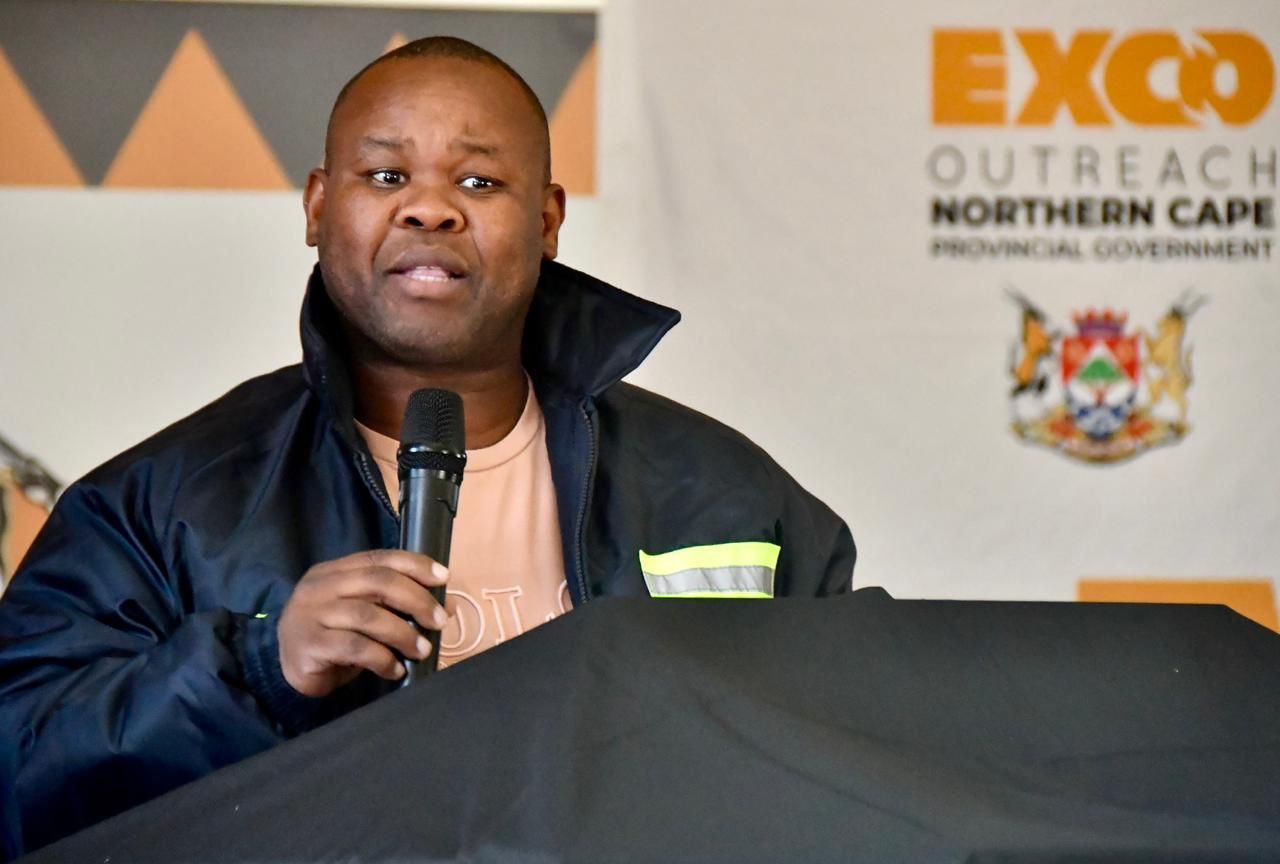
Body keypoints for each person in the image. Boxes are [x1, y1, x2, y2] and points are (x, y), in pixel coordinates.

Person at [0, 36, 855, 858]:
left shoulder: (727, 492)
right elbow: (22, 775)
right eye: (386, 175)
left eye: (479, 180)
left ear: (547, 220)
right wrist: (260, 667)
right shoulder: (161, 504)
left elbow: (850, 760)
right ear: (318, 206)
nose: (430, 207)